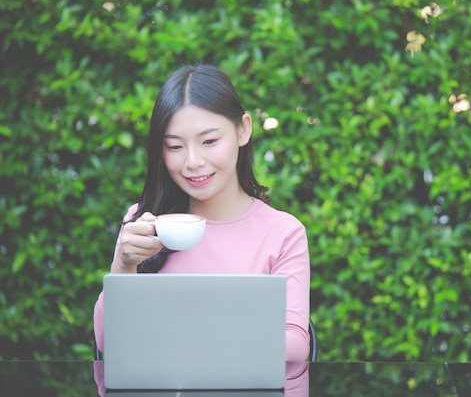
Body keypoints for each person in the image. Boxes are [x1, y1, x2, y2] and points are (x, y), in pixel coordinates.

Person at [93, 64, 310, 361]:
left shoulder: (283, 232)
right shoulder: (145, 222)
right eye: (175, 146)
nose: (193, 162)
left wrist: (192, 339)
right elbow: (110, 344)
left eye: (209, 141)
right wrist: (123, 263)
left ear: (243, 129)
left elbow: (297, 343)